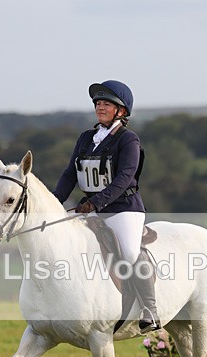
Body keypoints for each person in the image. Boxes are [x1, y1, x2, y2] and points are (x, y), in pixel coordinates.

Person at [52, 80, 160, 333]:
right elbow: (70, 174)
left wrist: (95, 202)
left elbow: (124, 178)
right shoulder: (86, 138)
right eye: (98, 103)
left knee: (131, 253)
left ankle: (150, 311)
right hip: (91, 207)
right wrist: (54, 203)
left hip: (123, 208)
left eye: (106, 104)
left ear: (121, 111)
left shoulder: (128, 140)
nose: (100, 107)